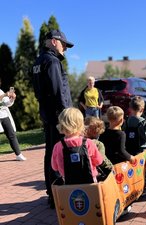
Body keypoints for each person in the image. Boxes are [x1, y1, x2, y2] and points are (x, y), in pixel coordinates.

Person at [32, 29, 74, 207]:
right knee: (60, 153)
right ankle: (59, 193)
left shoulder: (38, 62)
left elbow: (38, 92)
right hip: (59, 117)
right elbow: (59, 92)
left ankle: (52, 192)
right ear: (54, 41)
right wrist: (67, 117)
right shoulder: (52, 61)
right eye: (64, 44)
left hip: (48, 115)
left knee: (50, 153)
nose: (65, 48)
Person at [51, 108, 103, 184]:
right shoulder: (88, 143)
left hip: (69, 183)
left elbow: (54, 167)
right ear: (81, 124)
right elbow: (99, 161)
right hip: (90, 182)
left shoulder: (58, 146)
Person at [0, 85, 26, 161]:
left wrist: (12, 99)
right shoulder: (2, 93)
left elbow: (7, 104)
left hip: (4, 116)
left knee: (11, 135)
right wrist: (5, 94)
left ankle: (18, 154)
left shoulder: (0, 91)